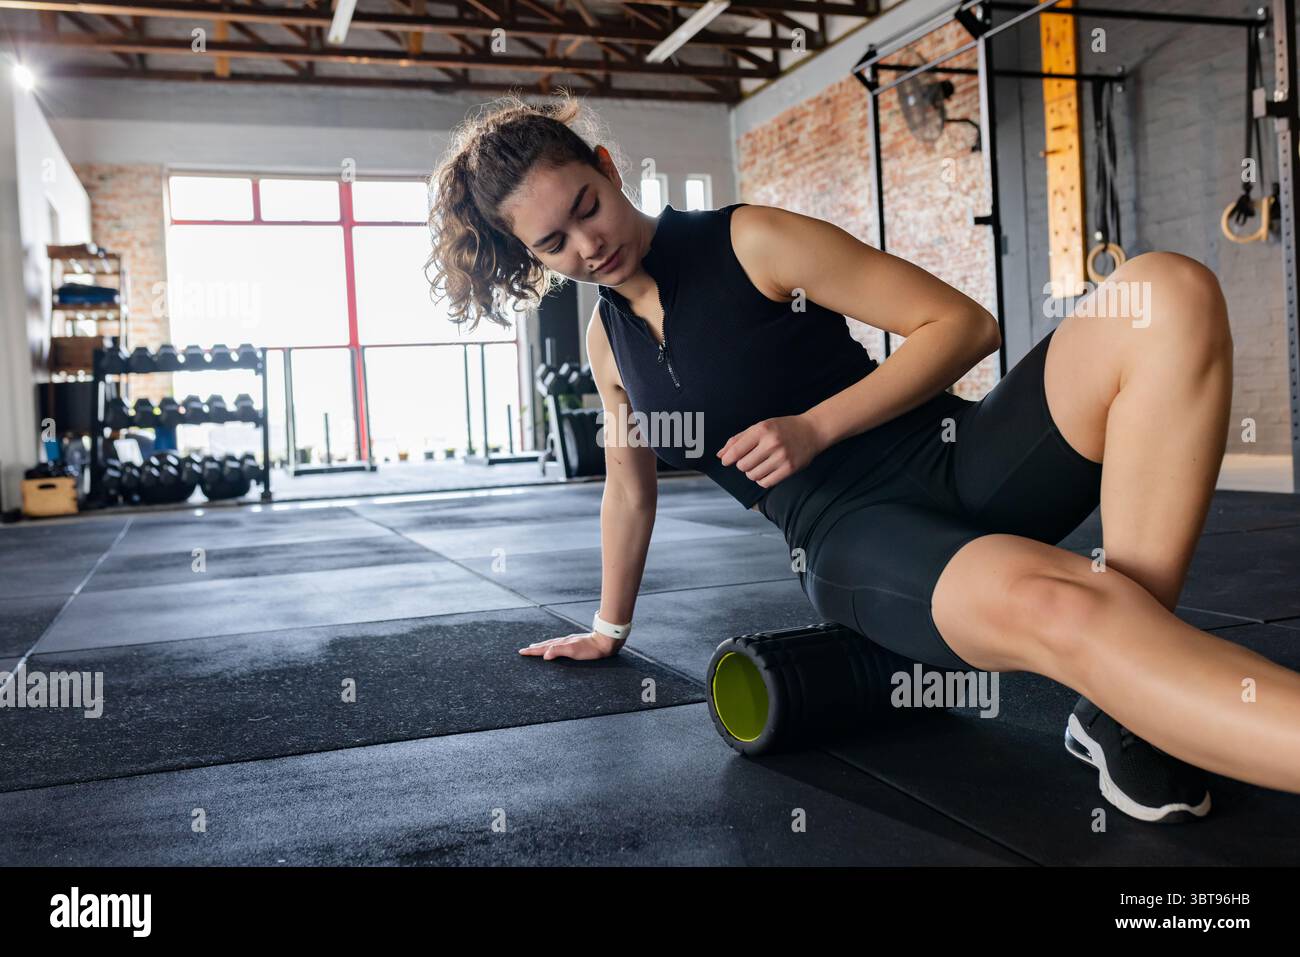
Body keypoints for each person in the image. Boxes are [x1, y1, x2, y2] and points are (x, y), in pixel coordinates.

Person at [424, 93, 1300, 823]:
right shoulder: (607, 348)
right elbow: (628, 492)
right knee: (1066, 602)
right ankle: (1140, 691)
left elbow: (964, 326)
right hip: (854, 538)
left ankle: (1123, 706)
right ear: (529, 256)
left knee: (1165, 290)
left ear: (609, 168)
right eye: (554, 245)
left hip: (962, 457)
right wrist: (609, 629)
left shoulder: (751, 239)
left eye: (587, 206)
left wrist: (815, 425)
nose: (589, 244)